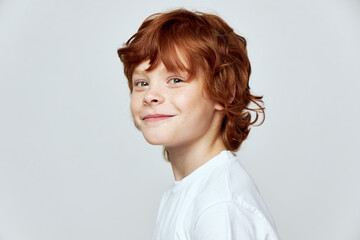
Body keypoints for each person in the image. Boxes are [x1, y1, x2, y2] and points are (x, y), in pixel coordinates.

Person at [117, 8, 279, 240]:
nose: (150, 95)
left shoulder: (219, 206)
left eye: (175, 80)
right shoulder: (185, 192)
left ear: (224, 92)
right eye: (141, 83)